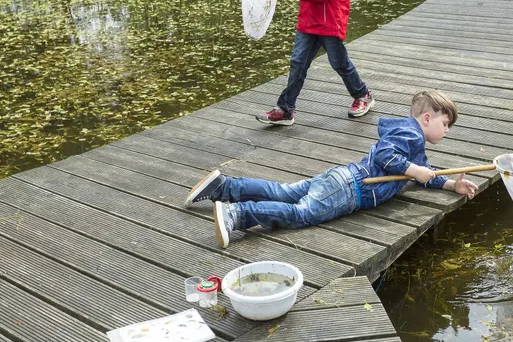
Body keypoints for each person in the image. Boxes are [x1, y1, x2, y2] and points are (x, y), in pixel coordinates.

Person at [185, 90, 478, 248]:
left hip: (342, 178)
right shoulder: (411, 135)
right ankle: (237, 214)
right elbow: (389, 156)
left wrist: (452, 185)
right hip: (352, 190)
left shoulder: (412, 141)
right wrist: (414, 170)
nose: (447, 131)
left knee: (285, 192)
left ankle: (224, 187)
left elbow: (427, 173)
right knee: (301, 214)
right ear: (427, 118)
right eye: (445, 124)